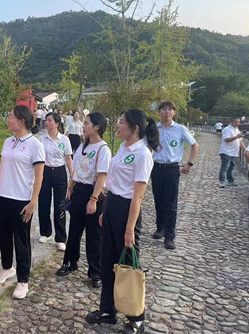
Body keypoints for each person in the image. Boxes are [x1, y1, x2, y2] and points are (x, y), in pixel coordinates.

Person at [86, 109, 159, 334]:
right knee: (107, 261)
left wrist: (129, 229)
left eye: (121, 122)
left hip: (128, 210)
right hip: (112, 205)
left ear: (134, 128)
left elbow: (138, 197)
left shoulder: (142, 154)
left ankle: (136, 318)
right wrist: (106, 211)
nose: (117, 125)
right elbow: (115, 183)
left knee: (128, 264)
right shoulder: (123, 147)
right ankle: (108, 310)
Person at [0, 105, 45, 299]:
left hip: (21, 201)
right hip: (2, 197)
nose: (8, 120)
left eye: (11, 116)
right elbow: (1, 167)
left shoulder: (35, 144)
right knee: (3, 236)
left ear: (21, 121)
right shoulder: (8, 141)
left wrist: (33, 201)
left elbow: (39, 176)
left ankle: (23, 280)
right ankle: (6, 268)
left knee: (21, 241)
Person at [56, 113, 110, 289]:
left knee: (94, 235)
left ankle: (96, 272)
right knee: (74, 229)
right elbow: (75, 170)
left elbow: (102, 176)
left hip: (93, 192)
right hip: (78, 191)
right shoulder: (81, 147)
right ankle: (70, 262)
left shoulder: (103, 149)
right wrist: (70, 188)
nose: (83, 126)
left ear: (97, 127)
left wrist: (93, 199)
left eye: (86, 123)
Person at [151, 101, 198, 250]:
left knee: (170, 203)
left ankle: (170, 236)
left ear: (174, 112)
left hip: (172, 169)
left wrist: (189, 163)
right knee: (158, 199)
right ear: (159, 112)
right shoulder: (154, 129)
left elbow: (194, 145)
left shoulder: (180, 129)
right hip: (156, 168)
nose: (166, 112)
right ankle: (160, 227)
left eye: (170, 109)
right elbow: (146, 146)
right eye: (163, 109)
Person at [38, 112, 74, 251]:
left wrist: (72, 176)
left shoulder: (64, 140)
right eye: (46, 120)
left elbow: (68, 159)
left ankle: (60, 237)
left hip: (60, 173)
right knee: (44, 203)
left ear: (57, 124)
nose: (46, 122)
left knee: (60, 205)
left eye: (49, 120)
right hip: (45, 172)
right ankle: (45, 232)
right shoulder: (41, 139)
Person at [218, 117, 246, 188]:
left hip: (234, 152)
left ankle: (230, 181)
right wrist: (236, 137)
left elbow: (240, 141)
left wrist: (245, 149)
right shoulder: (226, 129)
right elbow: (226, 140)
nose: (237, 124)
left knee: (231, 167)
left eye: (238, 122)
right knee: (225, 167)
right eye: (235, 122)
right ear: (231, 122)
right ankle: (222, 181)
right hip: (226, 151)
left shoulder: (237, 130)